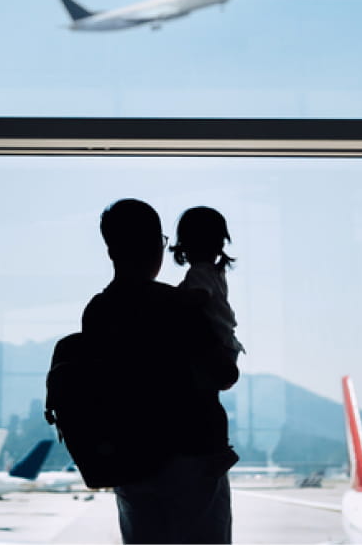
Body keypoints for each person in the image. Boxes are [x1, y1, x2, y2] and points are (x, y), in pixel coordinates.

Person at [82, 198, 239, 544]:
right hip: (192, 456)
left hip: (130, 459)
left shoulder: (98, 312)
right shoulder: (180, 305)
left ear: (111, 250)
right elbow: (225, 375)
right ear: (157, 244)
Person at [170, 206, 245, 361]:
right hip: (227, 344)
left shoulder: (199, 272)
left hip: (215, 346)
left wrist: (170, 298)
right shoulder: (216, 273)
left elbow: (199, 296)